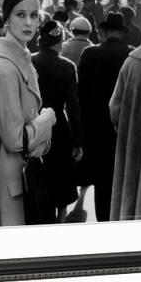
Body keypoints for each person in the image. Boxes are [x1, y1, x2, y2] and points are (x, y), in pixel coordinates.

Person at [0, 0, 57, 226]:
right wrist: (47, 121)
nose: (28, 22)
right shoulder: (5, 67)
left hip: (22, 176)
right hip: (12, 181)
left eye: (33, 15)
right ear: (7, 18)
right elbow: (15, 139)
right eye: (20, 14)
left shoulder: (20, 57)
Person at [77, 12, 133, 221]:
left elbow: (80, 94)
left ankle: (103, 222)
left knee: (102, 183)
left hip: (96, 130)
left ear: (104, 31)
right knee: (122, 181)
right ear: (122, 32)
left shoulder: (89, 54)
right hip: (123, 130)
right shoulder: (131, 55)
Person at [32, 20, 83, 222]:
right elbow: (73, 106)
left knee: (40, 176)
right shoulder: (67, 67)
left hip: (34, 124)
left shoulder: (29, 61)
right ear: (58, 42)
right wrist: (78, 141)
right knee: (61, 179)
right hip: (59, 128)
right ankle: (60, 219)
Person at [109, 16, 141, 221]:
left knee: (130, 191)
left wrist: (124, 125)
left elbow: (114, 106)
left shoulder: (131, 61)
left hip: (132, 141)